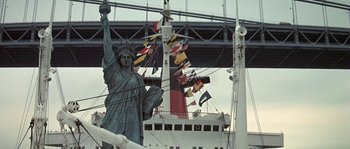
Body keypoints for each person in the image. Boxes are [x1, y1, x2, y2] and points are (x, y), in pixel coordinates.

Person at [99, 1, 163, 148]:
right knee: (109, 143)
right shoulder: (113, 72)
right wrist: (105, 23)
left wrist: (153, 102)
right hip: (114, 114)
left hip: (133, 117)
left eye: (129, 57)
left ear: (133, 60)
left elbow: (143, 103)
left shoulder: (137, 78)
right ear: (119, 59)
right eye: (123, 57)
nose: (126, 59)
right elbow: (108, 48)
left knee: (132, 146)